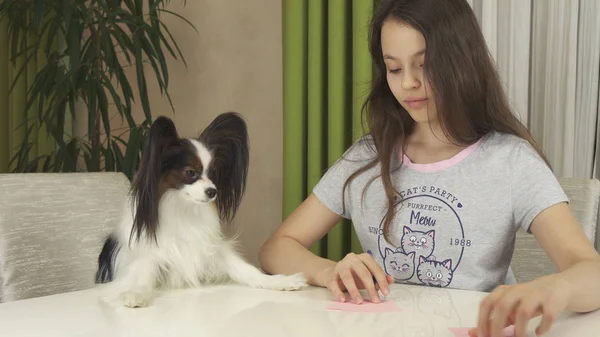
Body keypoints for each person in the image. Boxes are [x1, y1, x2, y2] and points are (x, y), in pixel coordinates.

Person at [258, 0, 600, 336]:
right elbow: (276, 249)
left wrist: (554, 288)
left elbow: (592, 272)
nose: (408, 83)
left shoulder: (511, 161)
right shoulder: (366, 157)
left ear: (462, 61)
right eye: (394, 68)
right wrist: (328, 271)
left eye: (424, 65)